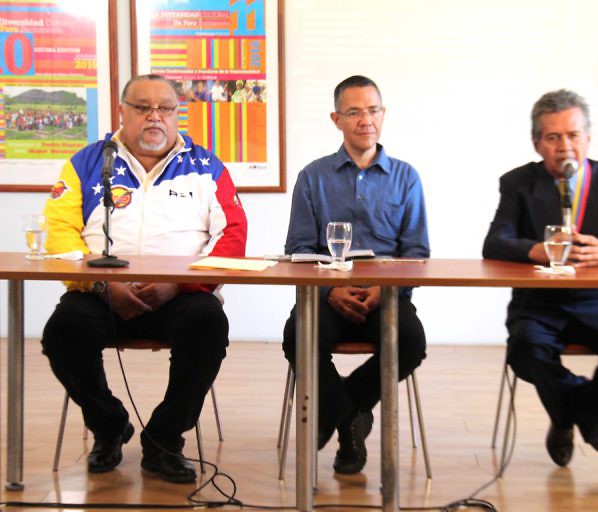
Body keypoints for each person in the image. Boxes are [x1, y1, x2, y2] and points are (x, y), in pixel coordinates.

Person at [40, 74, 248, 483]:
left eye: (165, 108)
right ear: (122, 111)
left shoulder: (206, 166)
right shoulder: (86, 162)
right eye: (142, 107)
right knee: (62, 332)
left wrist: (180, 283)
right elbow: (60, 233)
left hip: (182, 295)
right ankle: (109, 426)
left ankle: (165, 438)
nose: (155, 116)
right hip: (99, 293)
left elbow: (234, 235)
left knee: (208, 325)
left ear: (176, 114)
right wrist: (101, 285)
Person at [482, 89, 598, 467]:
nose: (565, 146)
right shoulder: (517, 183)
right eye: (553, 137)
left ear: (588, 139)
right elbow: (495, 243)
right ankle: (583, 415)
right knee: (526, 352)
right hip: (538, 303)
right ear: (537, 144)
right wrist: (538, 250)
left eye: (573, 135)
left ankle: (571, 415)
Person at [282, 75, 430, 475]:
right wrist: (331, 291)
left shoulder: (405, 177)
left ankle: (340, 411)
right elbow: (297, 248)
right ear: (336, 119)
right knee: (298, 336)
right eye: (354, 112)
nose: (366, 120)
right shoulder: (313, 177)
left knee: (412, 342)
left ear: (383, 114)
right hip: (327, 297)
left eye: (373, 110)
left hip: (387, 297)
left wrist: (385, 290)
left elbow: (416, 253)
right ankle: (350, 419)